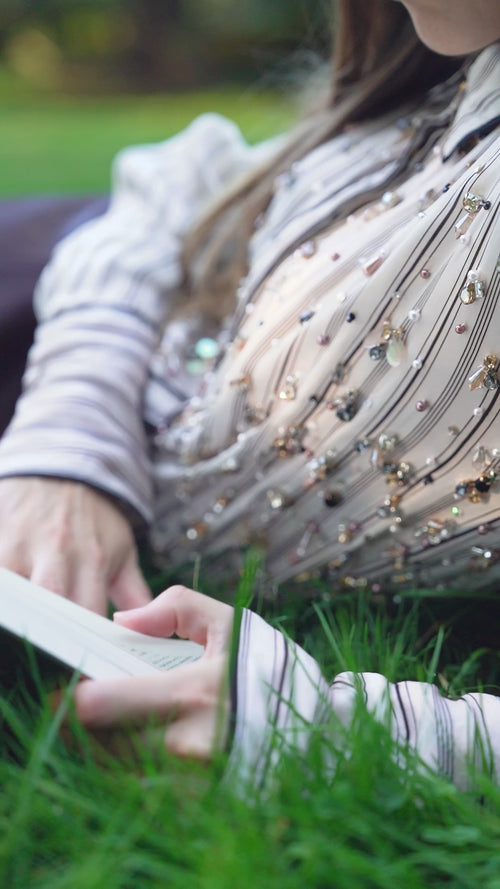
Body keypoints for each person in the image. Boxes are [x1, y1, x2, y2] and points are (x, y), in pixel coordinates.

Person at [0, 0, 499, 787]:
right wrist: (70, 442)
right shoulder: (453, 66)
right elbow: (177, 180)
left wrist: (337, 727)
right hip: (70, 310)